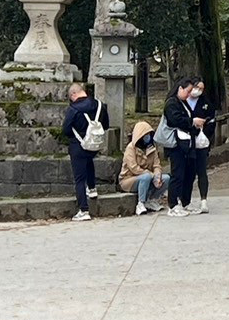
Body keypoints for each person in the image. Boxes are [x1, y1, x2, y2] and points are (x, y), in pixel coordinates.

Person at [61, 82, 109, 221]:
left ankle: (83, 210)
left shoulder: (73, 109)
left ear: (73, 95)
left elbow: (66, 129)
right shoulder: (99, 105)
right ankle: (92, 189)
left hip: (79, 145)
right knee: (89, 163)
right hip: (94, 144)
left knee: (79, 179)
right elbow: (105, 124)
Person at [162, 79, 201, 217]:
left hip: (188, 143)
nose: (189, 94)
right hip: (176, 144)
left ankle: (186, 202)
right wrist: (192, 122)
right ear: (180, 88)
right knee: (177, 174)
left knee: (189, 173)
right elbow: (176, 120)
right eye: (188, 91)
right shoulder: (171, 103)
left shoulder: (184, 103)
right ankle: (173, 204)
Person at [117, 121, 169, 214]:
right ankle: (141, 203)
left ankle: (152, 199)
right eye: (145, 135)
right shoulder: (131, 148)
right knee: (146, 177)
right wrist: (151, 175)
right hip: (129, 179)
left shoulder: (152, 148)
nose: (147, 137)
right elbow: (134, 168)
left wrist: (157, 176)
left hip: (149, 177)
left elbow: (156, 165)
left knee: (166, 178)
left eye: (149, 135)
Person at [187, 78, 216, 214]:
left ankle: (203, 199)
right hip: (186, 141)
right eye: (197, 87)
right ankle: (184, 199)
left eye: (201, 88)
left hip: (201, 141)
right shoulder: (182, 101)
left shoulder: (206, 104)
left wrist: (203, 131)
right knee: (187, 172)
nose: (198, 90)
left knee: (202, 171)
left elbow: (212, 121)